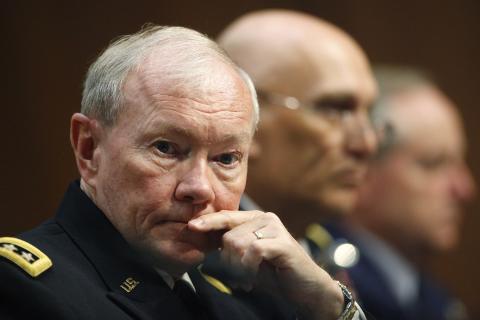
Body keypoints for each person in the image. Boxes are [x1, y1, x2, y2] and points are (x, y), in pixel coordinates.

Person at [0, 25, 365, 319]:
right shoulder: (21, 288)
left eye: (225, 159)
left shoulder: (260, 295)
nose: (200, 189)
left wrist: (328, 305)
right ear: (89, 148)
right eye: (166, 149)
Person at [214, 9, 377, 276]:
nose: (366, 143)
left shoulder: (334, 253)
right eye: (333, 109)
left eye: (368, 112)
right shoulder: (188, 258)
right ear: (242, 115)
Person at [328, 66, 476, 320]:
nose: (464, 189)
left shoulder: (434, 300)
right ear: (363, 172)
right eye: (433, 163)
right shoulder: (325, 283)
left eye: (460, 162)